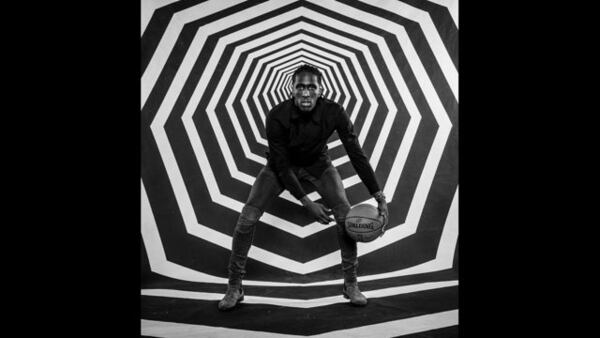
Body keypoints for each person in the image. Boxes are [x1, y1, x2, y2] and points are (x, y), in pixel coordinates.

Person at [218, 64, 388, 311]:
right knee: (247, 217)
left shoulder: (335, 112)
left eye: (311, 87)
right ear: (292, 89)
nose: (306, 93)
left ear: (321, 90)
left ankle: (350, 284)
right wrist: (307, 202)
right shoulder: (277, 115)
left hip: (319, 165)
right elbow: (283, 166)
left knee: (344, 215)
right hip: (280, 167)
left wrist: (378, 195)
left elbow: (356, 153)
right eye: (300, 86)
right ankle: (235, 286)